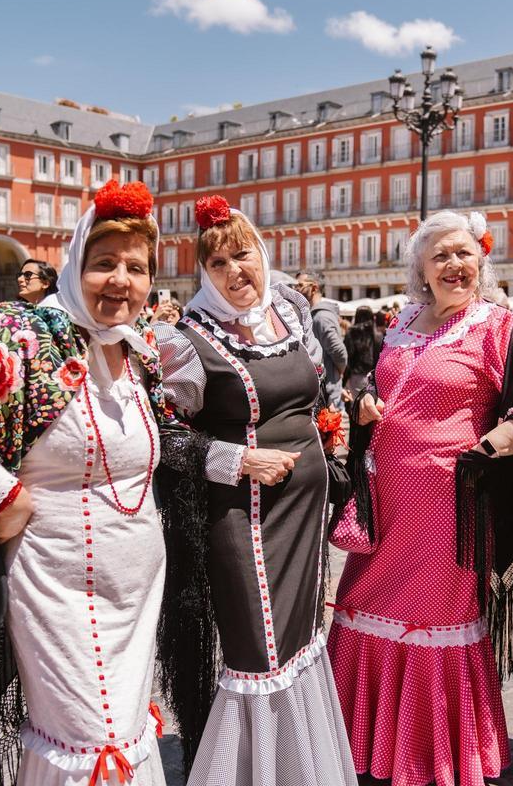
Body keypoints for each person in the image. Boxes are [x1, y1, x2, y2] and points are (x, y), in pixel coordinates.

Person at [0, 180, 234, 784]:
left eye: (136, 267)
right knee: (86, 740)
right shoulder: (20, 334)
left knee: (125, 732)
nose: (121, 280)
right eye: (104, 264)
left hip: (137, 589)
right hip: (55, 584)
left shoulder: (141, 351)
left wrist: (238, 462)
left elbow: (168, 440)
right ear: (75, 265)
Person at [332, 210, 513, 786]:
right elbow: (375, 380)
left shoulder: (494, 326)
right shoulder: (405, 321)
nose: (453, 265)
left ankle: (430, 757)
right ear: (421, 267)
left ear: (480, 261)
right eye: (440, 256)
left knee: (433, 619)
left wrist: (493, 443)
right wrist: (365, 400)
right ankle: (368, 747)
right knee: (367, 608)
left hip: (447, 511)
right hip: (385, 505)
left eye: (463, 254)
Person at [153, 195, 357, 785]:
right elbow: (165, 438)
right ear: (204, 274)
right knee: (258, 654)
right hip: (242, 516)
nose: (235, 272)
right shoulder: (185, 340)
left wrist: (336, 430)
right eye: (218, 265)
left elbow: (315, 392)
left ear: (262, 254)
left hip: (304, 512)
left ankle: (303, 771)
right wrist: (238, 458)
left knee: (299, 644)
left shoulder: (290, 311)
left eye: (243, 255)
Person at [295, 271, 348, 409]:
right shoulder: (313, 314)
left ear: (314, 288)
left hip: (327, 394)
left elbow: (339, 351)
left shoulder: (321, 317)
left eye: (300, 285)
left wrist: (338, 373)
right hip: (321, 389)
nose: (296, 289)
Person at [343, 305, 383, 395]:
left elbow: (348, 357)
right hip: (374, 377)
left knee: (356, 406)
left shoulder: (351, 333)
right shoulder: (378, 335)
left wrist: (344, 380)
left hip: (356, 377)